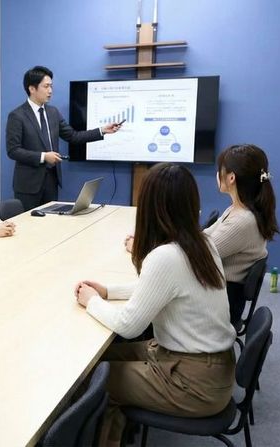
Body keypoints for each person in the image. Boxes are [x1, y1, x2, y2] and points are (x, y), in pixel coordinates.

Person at [73, 163, 236, 446]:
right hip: (210, 368)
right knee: (95, 363)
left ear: (150, 207)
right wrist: (108, 291)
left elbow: (129, 326)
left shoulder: (165, 257)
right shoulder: (201, 242)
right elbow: (162, 289)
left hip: (192, 382)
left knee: (90, 383)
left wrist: (93, 301)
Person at [5, 65, 121, 211]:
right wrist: (43, 156)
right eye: (46, 86)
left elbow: (73, 136)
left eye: (51, 86)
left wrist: (102, 130)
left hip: (51, 181)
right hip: (28, 186)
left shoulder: (53, 112)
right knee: (29, 228)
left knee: (52, 227)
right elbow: (13, 150)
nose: (50, 91)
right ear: (32, 89)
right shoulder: (17, 115)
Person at [204, 144, 279, 323]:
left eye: (220, 169)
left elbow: (198, 255)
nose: (217, 174)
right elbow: (204, 236)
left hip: (220, 306)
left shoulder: (242, 221)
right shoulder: (238, 210)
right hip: (218, 295)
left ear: (231, 177)